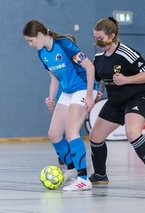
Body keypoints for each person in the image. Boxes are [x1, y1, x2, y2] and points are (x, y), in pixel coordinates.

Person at [89, 17, 145, 188]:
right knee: (95, 137)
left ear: (112, 35)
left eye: (100, 38)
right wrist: (97, 92)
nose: (97, 41)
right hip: (115, 102)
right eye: (96, 37)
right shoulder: (98, 57)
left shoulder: (126, 52)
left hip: (138, 97)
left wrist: (126, 80)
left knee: (132, 133)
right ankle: (100, 175)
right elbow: (97, 79)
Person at [22, 20, 98, 190]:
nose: (30, 44)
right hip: (68, 90)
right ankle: (71, 169)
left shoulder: (64, 45)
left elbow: (90, 67)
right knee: (54, 134)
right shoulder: (42, 53)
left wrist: (89, 95)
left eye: (30, 40)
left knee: (71, 132)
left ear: (40, 35)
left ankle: (84, 179)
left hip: (83, 87)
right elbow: (54, 78)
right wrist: (51, 98)